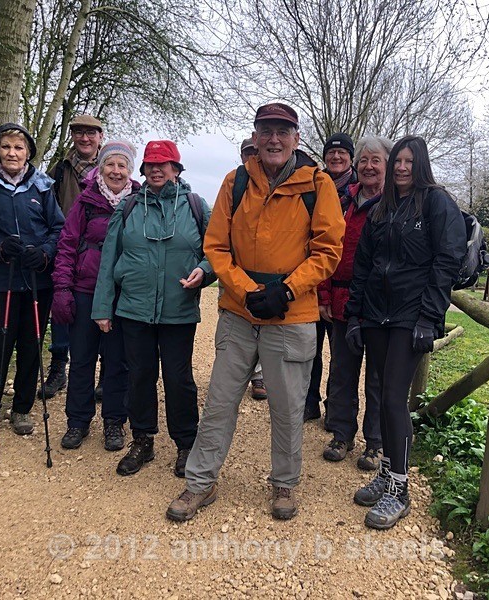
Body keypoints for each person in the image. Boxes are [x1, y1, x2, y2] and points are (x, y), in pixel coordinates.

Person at [166, 103, 345, 522]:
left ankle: (284, 483)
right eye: (266, 131)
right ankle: (200, 483)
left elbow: (328, 250)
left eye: (283, 131)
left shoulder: (318, 186)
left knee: (287, 407)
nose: (274, 139)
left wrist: (285, 289)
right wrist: (248, 292)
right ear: (256, 135)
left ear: (297, 138)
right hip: (239, 313)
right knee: (220, 403)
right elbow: (216, 246)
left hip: (293, 314)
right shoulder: (236, 181)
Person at [345, 135, 465, 530]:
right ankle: (387, 471)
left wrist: (429, 318)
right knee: (380, 394)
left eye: (408, 162)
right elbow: (365, 263)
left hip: (410, 317)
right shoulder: (384, 208)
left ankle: (400, 488)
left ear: (421, 165)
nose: (400, 168)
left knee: (395, 398)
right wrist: (354, 315)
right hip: (377, 316)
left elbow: (446, 262)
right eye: (397, 160)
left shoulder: (436, 203)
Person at [91, 140, 215, 478]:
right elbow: (109, 259)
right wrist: (103, 307)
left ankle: (186, 444)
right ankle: (142, 440)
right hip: (134, 309)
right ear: (143, 170)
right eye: (151, 164)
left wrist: (204, 270)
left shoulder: (195, 206)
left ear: (176, 169)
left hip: (179, 309)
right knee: (140, 376)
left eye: (165, 164)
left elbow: (218, 248)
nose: (157, 169)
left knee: (179, 379)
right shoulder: (129, 207)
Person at [0, 123, 64, 442]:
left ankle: (21, 408)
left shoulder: (44, 186)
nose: (12, 153)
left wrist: (45, 253)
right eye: (6, 147)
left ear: (29, 152)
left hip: (36, 280)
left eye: (19, 148)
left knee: (31, 345)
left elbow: (58, 229)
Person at [51, 141, 140, 451]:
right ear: (100, 168)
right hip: (85, 290)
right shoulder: (85, 202)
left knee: (118, 362)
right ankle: (77, 421)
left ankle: (114, 422)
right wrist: (62, 288)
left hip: (123, 295)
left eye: (122, 165)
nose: (116, 171)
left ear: (130, 170)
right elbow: (66, 245)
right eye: (110, 164)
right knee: (82, 359)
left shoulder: (138, 202)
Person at [318, 136, 392, 471]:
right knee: (342, 370)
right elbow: (323, 248)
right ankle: (341, 432)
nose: (368, 166)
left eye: (375, 160)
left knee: (377, 376)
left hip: (381, 307)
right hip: (342, 299)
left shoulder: (396, 204)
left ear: (387, 165)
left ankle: (375, 443)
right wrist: (323, 296)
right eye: (363, 160)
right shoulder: (342, 201)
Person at [41, 114, 105, 400]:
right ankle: (58, 368)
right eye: (79, 133)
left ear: (100, 137)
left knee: (104, 310)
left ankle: (105, 374)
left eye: (90, 133)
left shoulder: (112, 167)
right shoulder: (59, 171)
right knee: (62, 311)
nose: (85, 138)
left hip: (100, 255)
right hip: (66, 250)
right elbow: (47, 210)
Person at [304, 132, 359, 423]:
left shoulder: (361, 190)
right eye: (331, 153)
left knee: (341, 358)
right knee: (309, 352)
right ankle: (308, 403)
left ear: (351, 157)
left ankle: (335, 413)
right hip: (312, 281)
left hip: (343, 287)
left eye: (342, 153)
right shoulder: (314, 185)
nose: (336, 158)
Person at [239, 138, 267, 401]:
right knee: (239, 325)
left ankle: (258, 375)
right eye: (245, 153)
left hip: (264, 276)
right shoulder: (235, 185)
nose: (249, 157)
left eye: (252, 152)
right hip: (237, 275)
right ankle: (240, 373)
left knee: (262, 321)